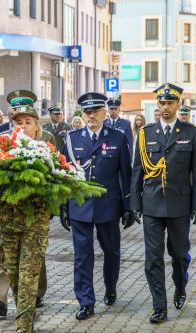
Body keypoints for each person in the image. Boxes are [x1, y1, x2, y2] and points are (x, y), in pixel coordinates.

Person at [130, 83, 196, 323]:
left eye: (170, 103)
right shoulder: (145, 133)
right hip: (152, 203)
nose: (165, 108)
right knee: (153, 257)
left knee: (180, 254)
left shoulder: (191, 133)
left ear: (178, 105)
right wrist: (135, 203)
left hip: (179, 204)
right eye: (161, 103)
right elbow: (137, 171)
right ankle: (159, 306)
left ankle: (180, 286)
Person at [61, 92, 134, 321]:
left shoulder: (118, 137)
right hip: (80, 205)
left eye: (95, 111)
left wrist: (128, 206)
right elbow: (64, 174)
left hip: (108, 206)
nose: (91, 116)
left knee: (111, 252)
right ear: (82, 114)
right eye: (87, 112)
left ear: (104, 112)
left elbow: (125, 174)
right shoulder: (72, 138)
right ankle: (85, 301)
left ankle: (110, 287)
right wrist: (64, 206)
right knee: (83, 255)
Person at [0, 90, 53, 324]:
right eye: (18, 122)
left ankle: (24, 325)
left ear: (36, 125)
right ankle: (21, 311)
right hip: (9, 221)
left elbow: (57, 184)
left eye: (28, 122)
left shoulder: (46, 149)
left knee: (28, 276)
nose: (23, 126)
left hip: (35, 222)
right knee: (13, 274)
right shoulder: (1, 149)